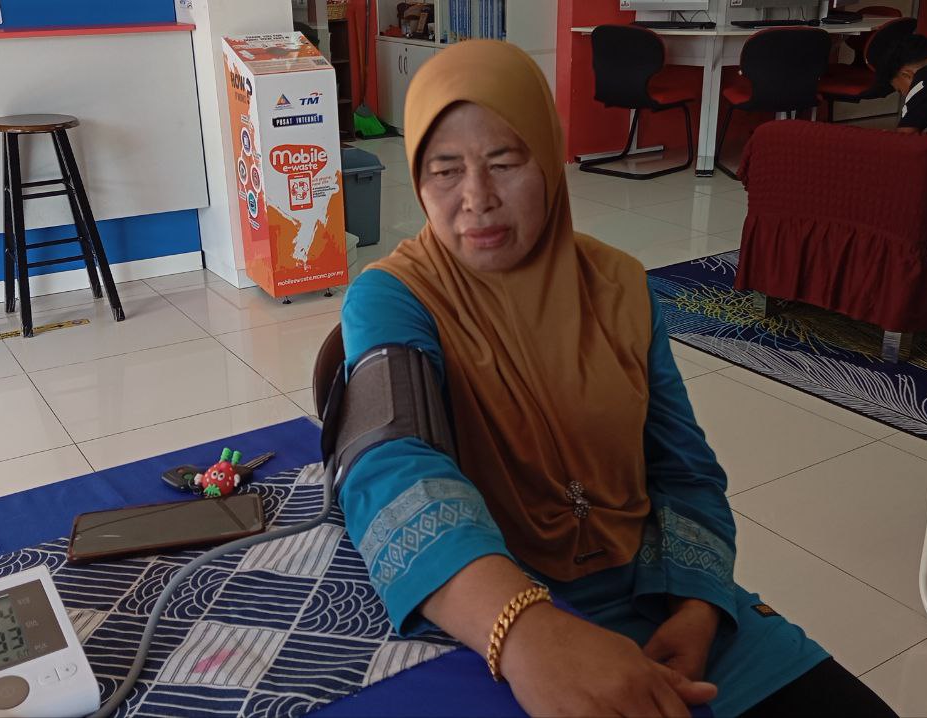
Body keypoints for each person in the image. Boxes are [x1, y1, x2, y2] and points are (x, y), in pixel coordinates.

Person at [335, 40, 897, 718]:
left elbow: (684, 466)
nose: (476, 199)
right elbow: (393, 463)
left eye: (505, 163)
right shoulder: (394, 297)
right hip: (495, 608)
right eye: (444, 170)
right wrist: (526, 633)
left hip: (660, 589)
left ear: (550, 158)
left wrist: (698, 608)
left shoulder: (619, 286)